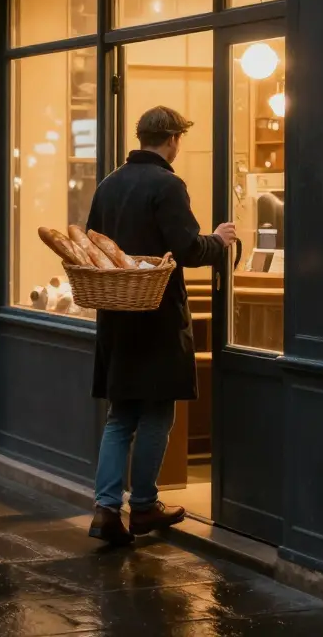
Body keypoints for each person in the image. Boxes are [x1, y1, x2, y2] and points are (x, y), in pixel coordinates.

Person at [84, 105, 237, 546]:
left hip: (116, 316)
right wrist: (220, 241)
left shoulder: (109, 184)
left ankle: (106, 510)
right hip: (156, 317)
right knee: (156, 411)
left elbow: (95, 245)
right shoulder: (167, 184)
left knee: (120, 416)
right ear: (171, 139)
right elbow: (187, 250)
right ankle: (146, 505)